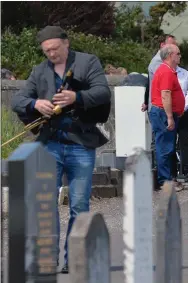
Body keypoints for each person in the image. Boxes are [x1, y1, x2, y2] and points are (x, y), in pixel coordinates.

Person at [11, 26, 111, 273]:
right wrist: (36, 103)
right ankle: (47, 259)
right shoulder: (39, 71)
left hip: (81, 143)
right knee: (45, 204)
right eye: (47, 51)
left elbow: (102, 92)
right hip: (49, 145)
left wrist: (76, 98)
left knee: (79, 203)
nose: (51, 54)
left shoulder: (88, 62)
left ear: (66, 44)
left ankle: (75, 259)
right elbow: (17, 101)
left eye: (55, 48)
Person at [149, 44, 185, 190]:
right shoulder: (166, 72)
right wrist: (170, 117)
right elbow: (165, 94)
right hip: (163, 114)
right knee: (164, 147)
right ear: (170, 55)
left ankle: (167, 178)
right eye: (178, 53)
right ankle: (164, 180)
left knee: (167, 147)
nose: (180, 56)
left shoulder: (167, 70)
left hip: (164, 113)